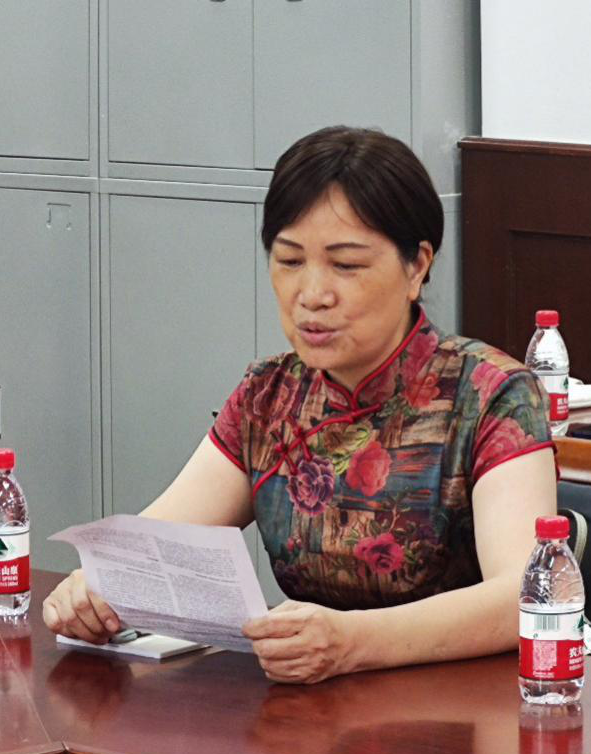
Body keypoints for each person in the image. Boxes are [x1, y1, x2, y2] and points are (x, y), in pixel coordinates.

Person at [44, 127, 558, 683]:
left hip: (464, 707)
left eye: (346, 266)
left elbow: (523, 595)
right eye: (290, 261)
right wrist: (98, 584)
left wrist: (352, 643)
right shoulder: (270, 396)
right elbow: (156, 543)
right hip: (305, 701)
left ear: (417, 266)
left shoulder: (491, 395)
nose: (312, 295)